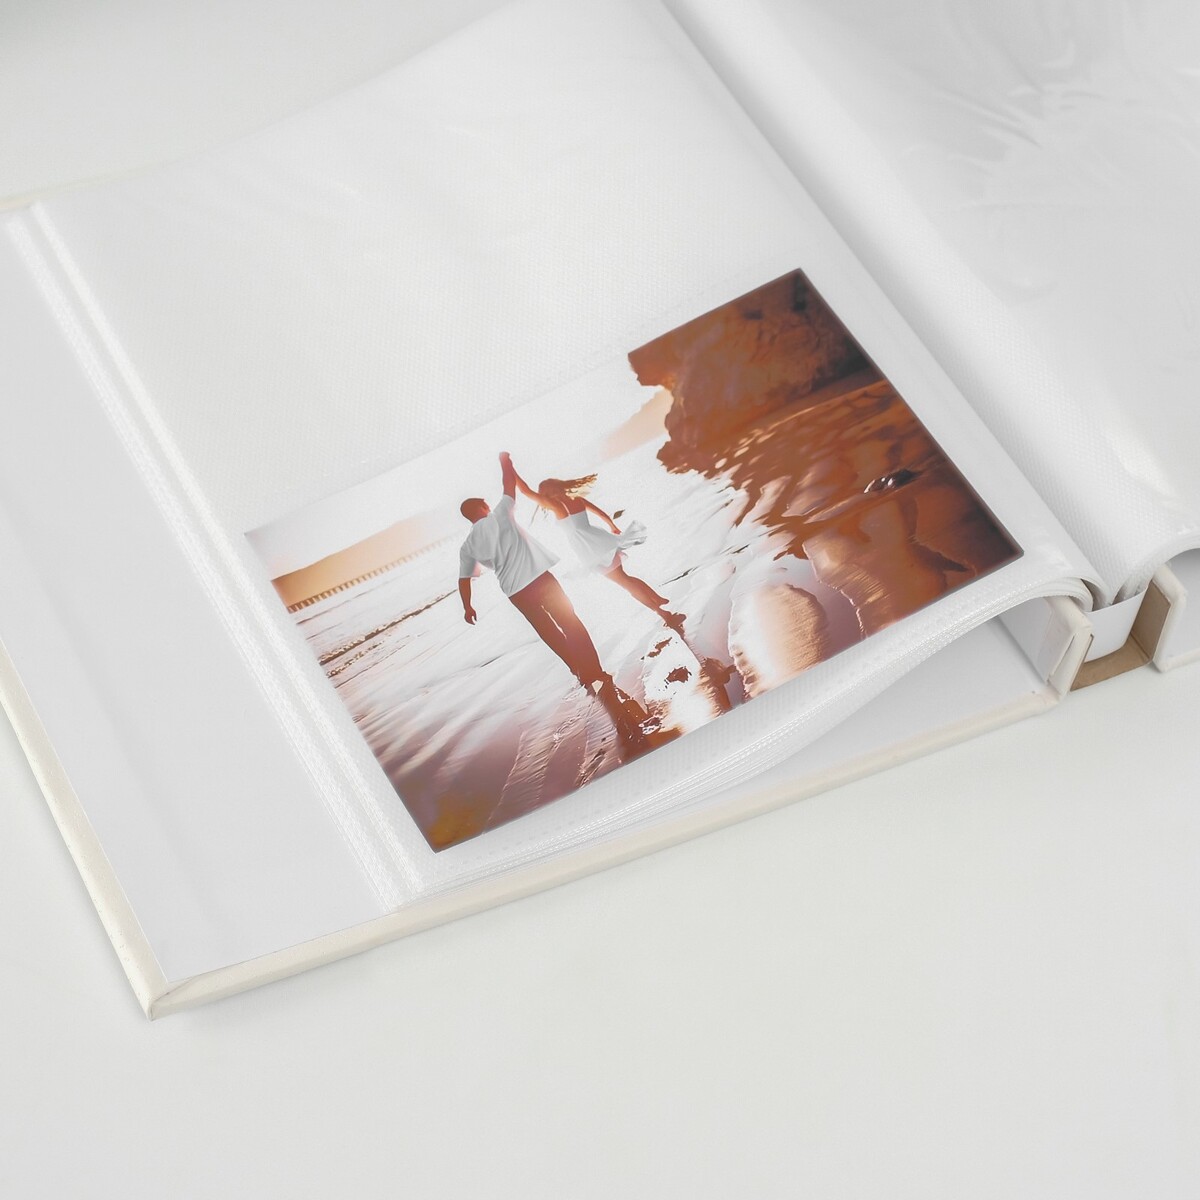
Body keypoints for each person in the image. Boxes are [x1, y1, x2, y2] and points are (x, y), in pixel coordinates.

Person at [458, 452, 607, 688]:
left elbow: (464, 579)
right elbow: (509, 484)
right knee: (569, 621)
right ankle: (595, 670)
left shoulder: (468, 545)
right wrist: (505, 462)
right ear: (482, 507)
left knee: (548, 632)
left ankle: (580, 672)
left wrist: (467, 606)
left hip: (516, 592)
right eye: (485, 504)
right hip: (539, 579)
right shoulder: (500, 514)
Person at [508, 463, 685, 630]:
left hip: (591, 551)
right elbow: (601, 513)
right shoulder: (576, 499)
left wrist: (509, 467)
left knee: (625, 583)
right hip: (601, 541)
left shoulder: (556, 506)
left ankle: (663, 613)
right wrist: (612, 526)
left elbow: (525, 491)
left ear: (547, 494)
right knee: (625, 578)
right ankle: (658, 599)